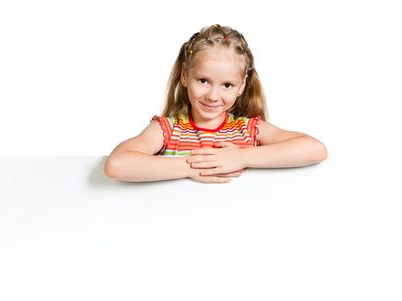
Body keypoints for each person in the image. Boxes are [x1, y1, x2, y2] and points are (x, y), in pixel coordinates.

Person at [104, 24, 327, 183]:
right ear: (184, 76)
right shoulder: (167, 130)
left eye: (227, 85)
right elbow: (117, 164)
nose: (213, 95)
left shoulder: (248, 130)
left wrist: (242, 156)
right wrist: (191, 167)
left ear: (241, 87)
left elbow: (315, 149)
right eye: (203, 81)